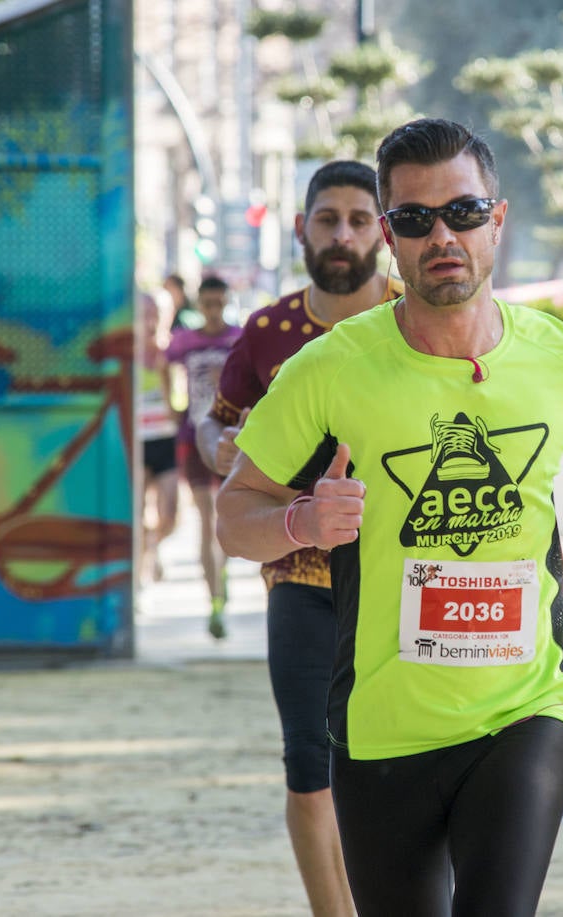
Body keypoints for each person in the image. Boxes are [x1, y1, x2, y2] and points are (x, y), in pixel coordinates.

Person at [215, 118, 563, 916]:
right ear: (390, 235)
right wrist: (303, 525)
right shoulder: (329, 369)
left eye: (461, 211)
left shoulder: (560, 355)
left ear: (498, 218)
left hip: (525, 704)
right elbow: (233, 514)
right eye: (415, 219)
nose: (441, 236)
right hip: (384, 726)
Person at [195, 160, 397, 917]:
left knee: (401, 760)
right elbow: (218, 414)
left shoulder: (417, 316)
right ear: (300, 229)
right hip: (299, 573)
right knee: (310, 761)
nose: (341, 235)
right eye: (326, 219)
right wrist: (218, 442)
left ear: (380, 229)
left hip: (405, 576)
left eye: (356, 218)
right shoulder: (270, 331)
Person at [165, 274, 242, 639]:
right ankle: (214, 600)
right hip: (194, 436)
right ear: (199, 304)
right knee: (204, 518)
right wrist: (171, 407)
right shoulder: (186, 340)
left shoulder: (238, 338)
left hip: (230, 438)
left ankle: (221, 575)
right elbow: (164, 363)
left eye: (218, 304)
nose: (213, 311)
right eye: (207, 305)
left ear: (226, 302)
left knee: (224, 515)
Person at [138, 291, 179, 584]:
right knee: (138, 513)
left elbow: (178, 405)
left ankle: (153, 545)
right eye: (145, 314)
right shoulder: (127, 356)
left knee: (170, 513)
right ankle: (140, 578)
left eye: (156, 314)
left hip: (166, 441)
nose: (151, 321)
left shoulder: (172, 354)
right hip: (137, 442)